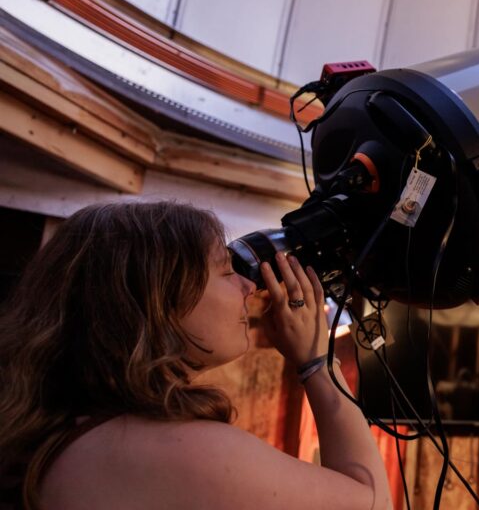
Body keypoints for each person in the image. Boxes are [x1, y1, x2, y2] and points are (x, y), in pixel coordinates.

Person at [0, 201, 391, 509]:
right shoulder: (173, 451)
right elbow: (371, 503)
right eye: (225, 271)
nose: (247, 287)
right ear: (158, 300)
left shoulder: (75, 433)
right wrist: (316, 361)